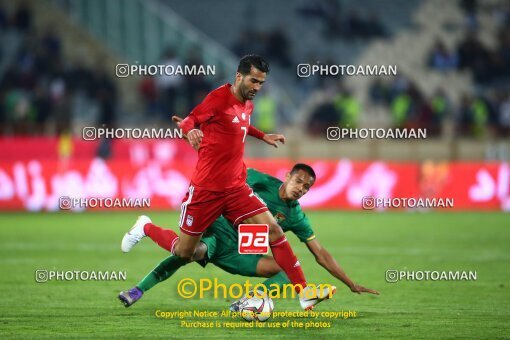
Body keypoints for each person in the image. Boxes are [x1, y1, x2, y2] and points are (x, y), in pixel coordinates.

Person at [121, 55, 330, 310]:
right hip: (206, 191)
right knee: (183, 252)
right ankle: (146, 227)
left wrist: (262, 135)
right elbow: (189, 120)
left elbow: (240, 126)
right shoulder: (218, 99)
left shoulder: (248, 105)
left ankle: (305, 293)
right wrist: (191, 130)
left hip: (235, 188)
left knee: (274, 230)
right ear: (239, 76)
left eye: (261, 83)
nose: (257, 87)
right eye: (253, 81)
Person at [119, 165, 379, 308]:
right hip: (218, 233)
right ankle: (137, 286)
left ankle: (247, 302)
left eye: (307, 187)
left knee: (287, 269)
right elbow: (223, 177)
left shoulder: (296, 216)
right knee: (186, 253)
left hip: (242, 253)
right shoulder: (258, 180)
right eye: (298, 181)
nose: (301, 189)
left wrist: (350, 282)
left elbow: (320, 253)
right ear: (287, 176)